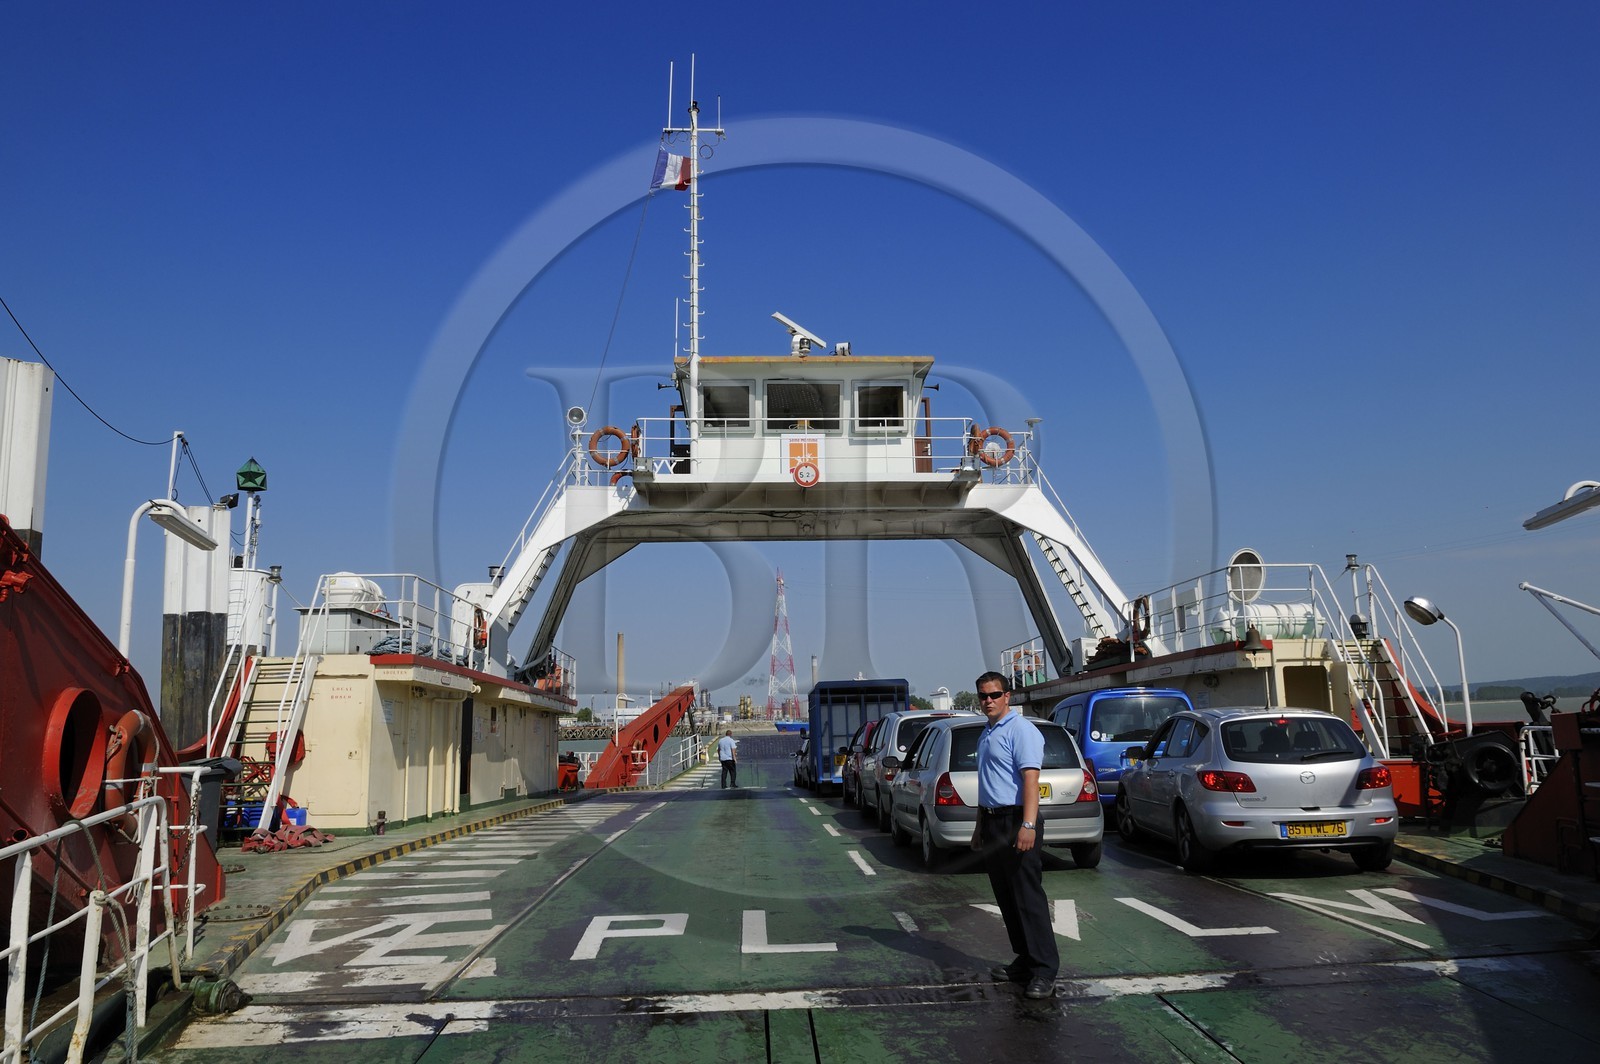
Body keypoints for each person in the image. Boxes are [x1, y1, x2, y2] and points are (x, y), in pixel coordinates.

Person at [969, 670, 1058, 999]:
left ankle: (1045, 970)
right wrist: (980, 826)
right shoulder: (987, 733)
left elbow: (1030, 781)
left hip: (1016, 819)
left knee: (1028, 897)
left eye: (994, 694)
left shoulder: (1021, 730)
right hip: (993, 821)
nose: (988, 701)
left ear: (1008, 696)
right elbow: (988, 783)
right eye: (983, 696)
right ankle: (1024, 958)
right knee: (1006, 896)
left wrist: (1028, 825)